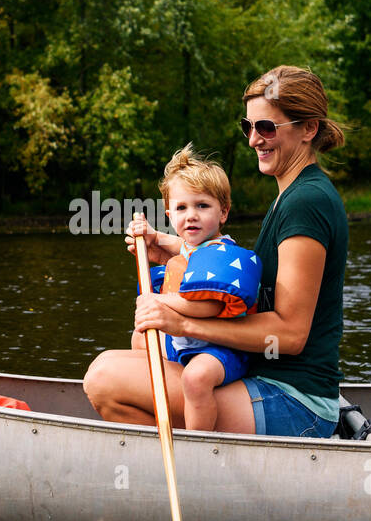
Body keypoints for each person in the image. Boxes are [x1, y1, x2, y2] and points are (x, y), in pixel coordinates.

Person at [84, 65, 348, 438]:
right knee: (140, 343)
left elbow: (290, 334)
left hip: (295, 400)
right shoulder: (289, 197)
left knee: (105, 377)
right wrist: (178, 255)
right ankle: (202, 464)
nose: (254, 139)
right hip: (267, 378)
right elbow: (245, 281)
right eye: (249, 127)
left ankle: (197, 469)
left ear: (309, 129)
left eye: (267, 127)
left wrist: (185, 324)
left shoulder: (306, 202)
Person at [127, 145, 260, 431]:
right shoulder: (193, 246)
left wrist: (159, 301)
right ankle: (151, 397)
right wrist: (152, 236)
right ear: (170, 215)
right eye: (181, 208)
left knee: (196, 378)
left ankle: (198, 443)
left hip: (220, 349)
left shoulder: (222, 252)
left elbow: (207, 306)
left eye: (202, 206)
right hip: (185, 343)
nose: (191, 216)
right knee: (139, 338)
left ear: (223, 212)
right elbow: (182, 247)